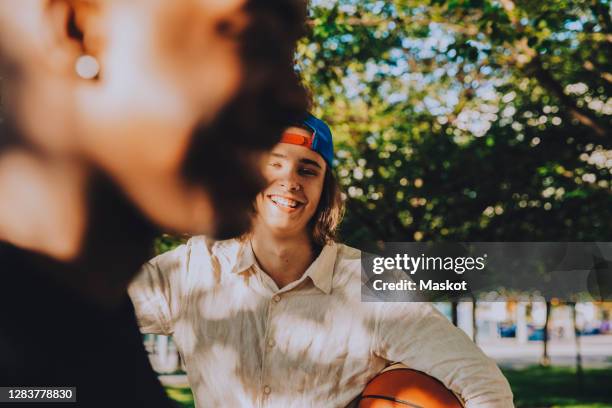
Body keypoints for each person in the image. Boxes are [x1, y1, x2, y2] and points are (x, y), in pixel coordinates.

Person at [0, 1, 308, 406]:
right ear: (79, 27)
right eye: (255, 38)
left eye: (289, 50)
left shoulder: (92, 332)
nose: (295, 98)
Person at [129, 114, 515, 407]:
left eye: (308, 169)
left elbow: (483, 384)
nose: (290, 180)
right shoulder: (194, 269)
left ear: (324, 189)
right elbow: (84, 307)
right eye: (274, 164)